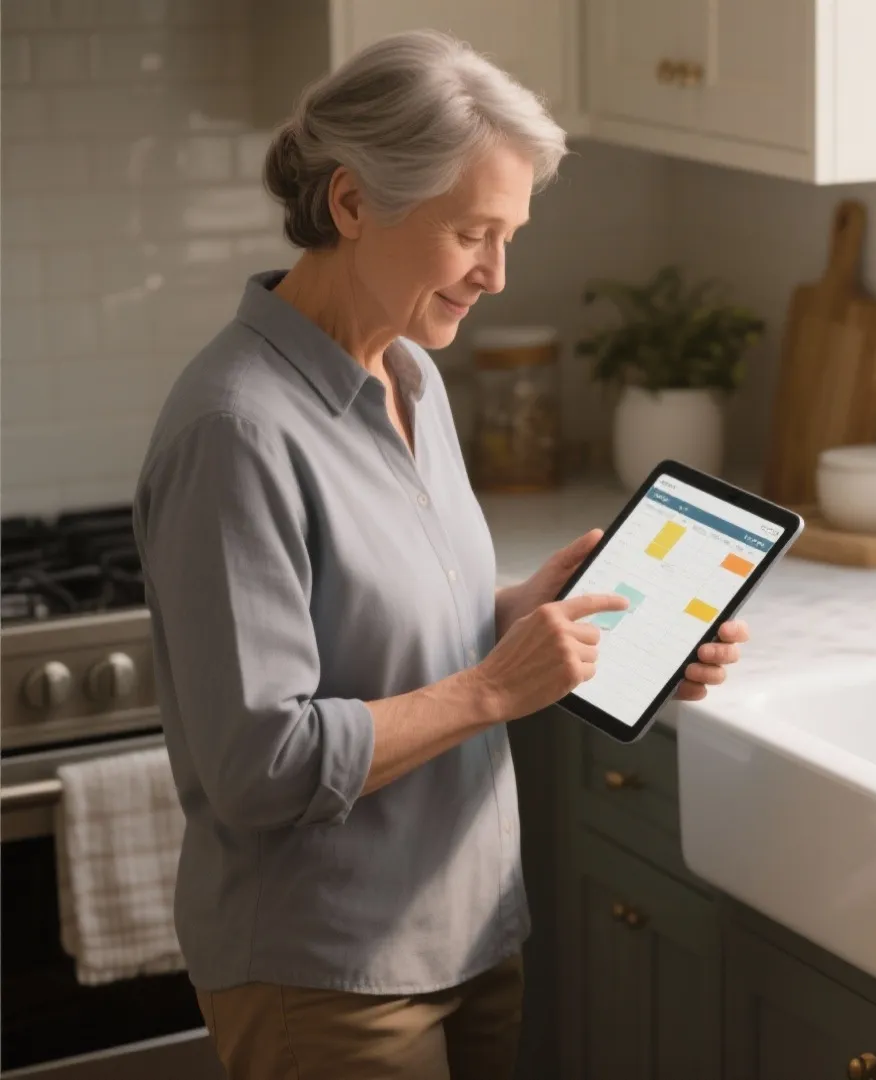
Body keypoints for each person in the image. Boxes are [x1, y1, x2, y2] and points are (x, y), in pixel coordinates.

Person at [131, 30, 747, 1080]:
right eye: (473, 233)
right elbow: (259, 764)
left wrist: (530, 627)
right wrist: (495, 689)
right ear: (353, 203)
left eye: (510, 235)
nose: (498, 275)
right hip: (326, 971)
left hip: (470, 931)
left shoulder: (411, 375)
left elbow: (386, 643)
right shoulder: (237, 431)